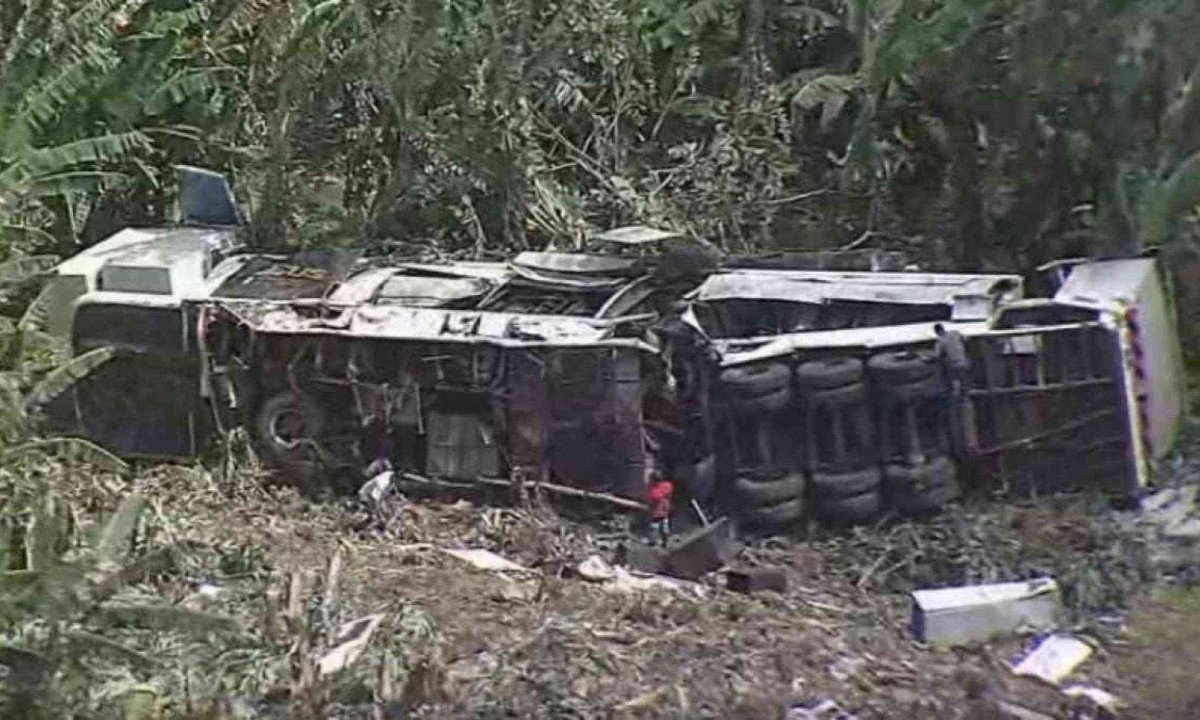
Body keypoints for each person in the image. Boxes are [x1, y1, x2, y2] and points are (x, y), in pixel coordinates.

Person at [933, 323, 970, 400]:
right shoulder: (955, 332)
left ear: (937, 332)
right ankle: (965, 395)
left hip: (954, 365)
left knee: (952, 376)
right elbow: (966, 339)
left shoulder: (940, 341)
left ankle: (955, 394)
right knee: (964, 380)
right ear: (943, 328)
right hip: (964, 362)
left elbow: (937, 355)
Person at [646, 475, 674, 546]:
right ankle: (658, 541)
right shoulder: (667, 486)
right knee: (661, 526)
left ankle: (660, 541)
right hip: (662, 511)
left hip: (659, 511)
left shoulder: (656, 489)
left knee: (658, 526)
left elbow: (654, 497)